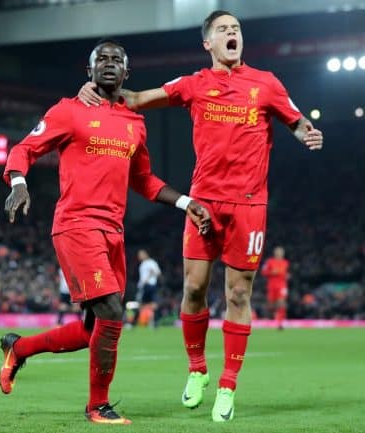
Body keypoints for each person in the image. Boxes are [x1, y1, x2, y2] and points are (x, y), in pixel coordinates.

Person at [78, 10, 323, 422]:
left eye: (237, 30)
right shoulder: (195, 84)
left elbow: (295, 119)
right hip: (204, 203)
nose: (233, 34)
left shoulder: (266, 83)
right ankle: (197, 370)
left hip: (248, 204)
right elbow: (137, 99)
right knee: (193, 289)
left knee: (239, 295)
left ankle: (228, 385)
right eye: (223, 30)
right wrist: (95, 88)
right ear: (207, 43)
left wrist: (306, 133)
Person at [0, 39, 211, 425]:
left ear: (127, 73)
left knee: (92, 329)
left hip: (114, 232)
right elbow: (25, 149)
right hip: (77, 225)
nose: (109, 64)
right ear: (89, 70)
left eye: (117, 60)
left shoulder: (135, 122)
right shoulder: (69, 110)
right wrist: (18, 182)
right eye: (102, 59)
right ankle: (97, 405)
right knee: (113, 312)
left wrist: (186, 202)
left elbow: (144, 181)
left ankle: (19, 348)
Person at [261, 246, 290, 330]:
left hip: (282, 286)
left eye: (281, 253)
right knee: (271, 305)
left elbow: (285, 273)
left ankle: (280, 322)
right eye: (278, 253)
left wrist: (287, 276)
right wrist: (271, 272)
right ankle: (271, 318)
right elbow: (263, 272)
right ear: (275, 253)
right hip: (272, 286)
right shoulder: (269, 262)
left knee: (281, 303)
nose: (279, 254)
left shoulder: (285, 262)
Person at [134, 249, 162, 328]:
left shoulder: (150, 262)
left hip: (149, 286)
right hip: (146, 286)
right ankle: (153, 322)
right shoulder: (143, 264)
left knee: (142, 304)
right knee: (147, 304)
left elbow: (157, 272)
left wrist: (148, 278)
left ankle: (133, 323)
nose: (139, 256)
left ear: (146, 254)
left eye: (141, 254)